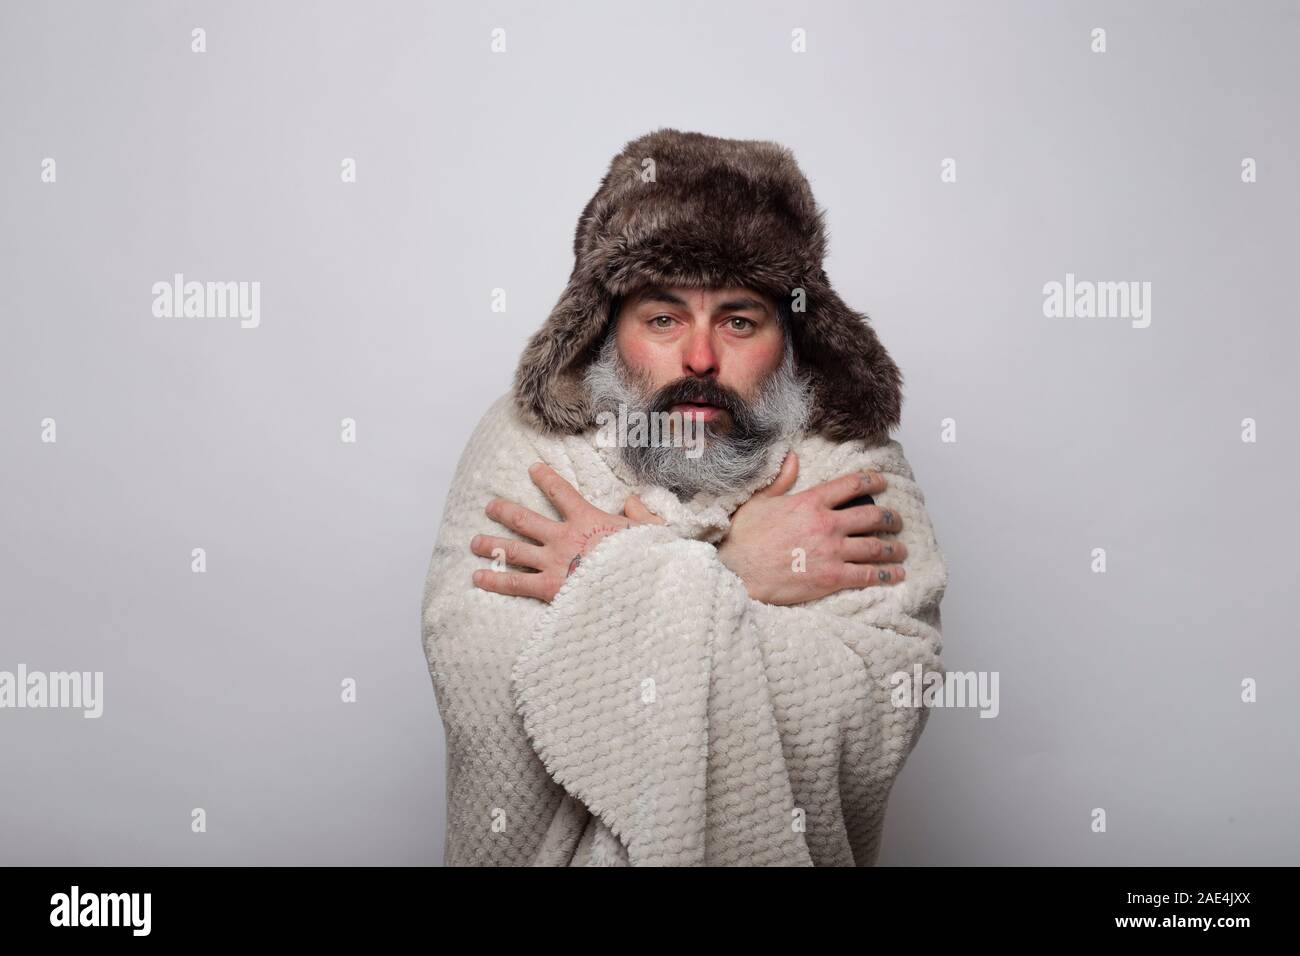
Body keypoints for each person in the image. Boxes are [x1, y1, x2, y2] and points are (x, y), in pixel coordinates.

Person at [420, 128, 949, 866]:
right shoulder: (524, 444)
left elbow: (876, 707)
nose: (700, 357)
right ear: (606, 329)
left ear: (790, 336)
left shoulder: (853, 465)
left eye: (739, 320)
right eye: (663, 319)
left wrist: (606, 572)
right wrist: (729, 565)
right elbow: (483, 680)